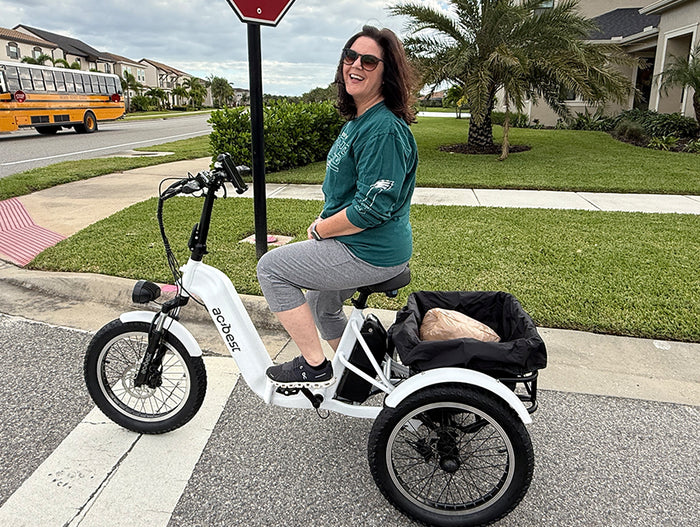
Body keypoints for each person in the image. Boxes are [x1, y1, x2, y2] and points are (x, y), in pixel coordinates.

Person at [256, 25, 418, 388]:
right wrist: (325, 220)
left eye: (369, 60)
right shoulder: (360, 120)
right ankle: (364, 375)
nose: (355, 64)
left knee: (271, 269)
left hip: (369, 249)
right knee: (321, 306)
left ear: (386, 71)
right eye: (350, 56)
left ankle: (314, 367)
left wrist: (320, 231)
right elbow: (348, 193)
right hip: (358, 242)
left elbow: (371, 209)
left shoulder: (384, 130)